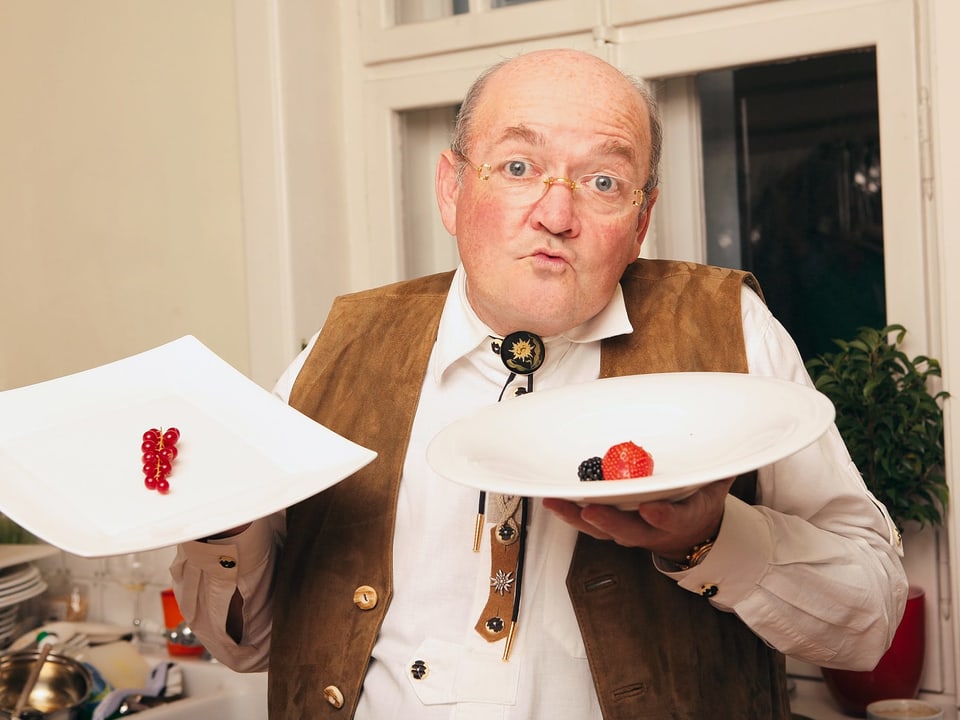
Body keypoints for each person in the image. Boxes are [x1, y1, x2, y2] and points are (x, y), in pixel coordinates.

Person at [171, 48, 907, 719]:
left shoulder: (730, 332)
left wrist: (712, 537)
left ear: (643, 216)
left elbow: (871, 623)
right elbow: (249, 647)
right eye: (519, 167)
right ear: (453, 187)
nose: (557, 215)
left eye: (603, 181)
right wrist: (220, 525)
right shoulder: (337, 351)